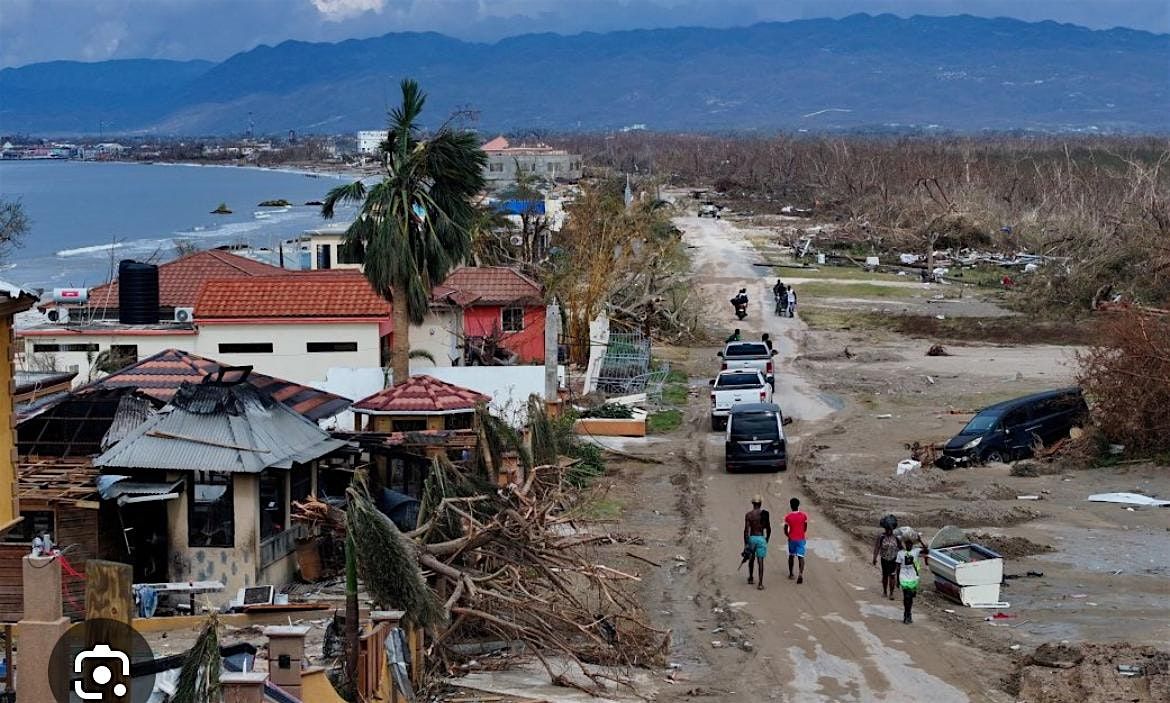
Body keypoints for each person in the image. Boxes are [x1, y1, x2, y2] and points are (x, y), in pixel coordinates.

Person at [896, 536, 928, 623]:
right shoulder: (900, 553)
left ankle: (908, 612)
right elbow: (898, 567)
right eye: (907, 544)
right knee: (906, 596)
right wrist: (897, 581)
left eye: (910, 544)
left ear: (912, 544)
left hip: (913, 577)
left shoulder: (916, 551)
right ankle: (906, 615)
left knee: (910, 597)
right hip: (903, 577)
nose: (909, 545)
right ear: (905, 544)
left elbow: (926, 551)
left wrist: (920, 540)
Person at [743, 494, 772, 590]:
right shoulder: (764, 514)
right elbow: (768, 528)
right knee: (761, 561)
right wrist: (767, 538)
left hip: (752, 538)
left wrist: (746, 543)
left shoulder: (749, 515)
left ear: (753, 503)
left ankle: (751, 577)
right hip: (761, 538)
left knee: (751, 559)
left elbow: (746, 530)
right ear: (760, 503)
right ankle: (760, 583)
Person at [872, 521, 901, 600]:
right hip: (884, 559)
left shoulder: (896, 537)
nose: (889, 531)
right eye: (887, 529)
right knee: (885, 575)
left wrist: (902, 559)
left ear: (892, 529)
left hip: (893, 559)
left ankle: (891, 593)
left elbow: (901, 548)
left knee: (892, 576)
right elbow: (877, 547)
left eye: (890, 529)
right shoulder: (881, 537)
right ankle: (885, 591)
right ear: (885, 529)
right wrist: (874, 558)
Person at [783, 497, 808, 584]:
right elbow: (805, 527)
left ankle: (791, 574)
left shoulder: (788, 517)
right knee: (801, 557)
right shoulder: (803, 516)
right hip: (801, 538)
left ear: (791, 506)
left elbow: (785, 529)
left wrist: (788, 535)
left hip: (792, 539)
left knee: (791, 556)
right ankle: (800, 574)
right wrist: (802, 533)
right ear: (798, 505)